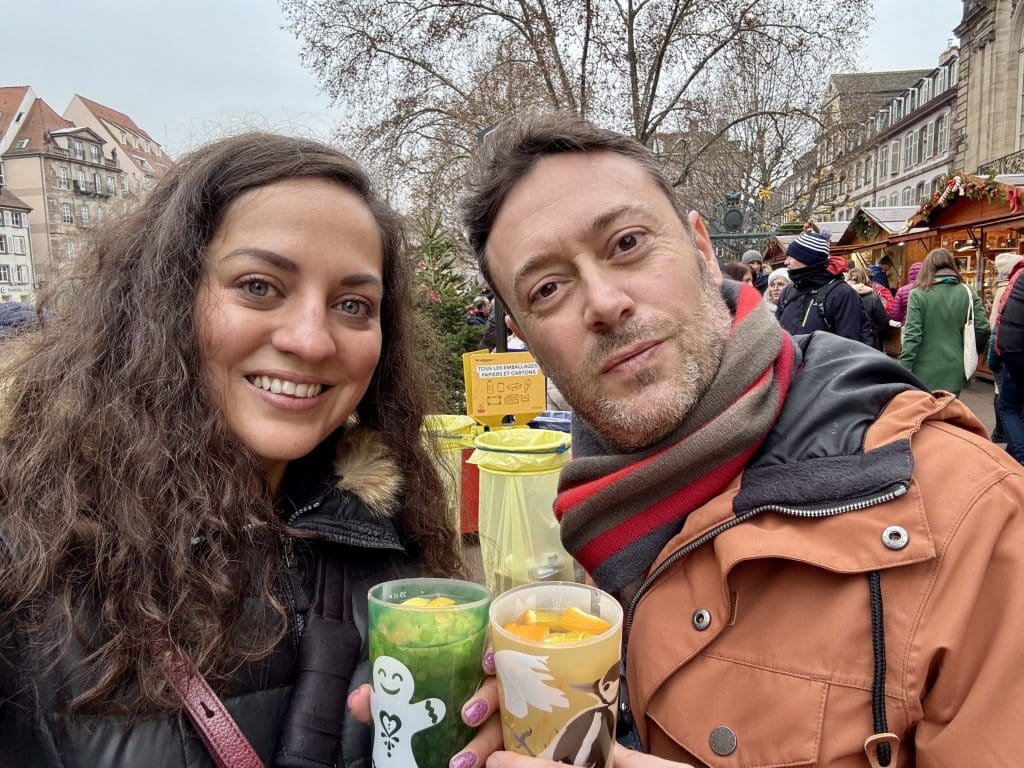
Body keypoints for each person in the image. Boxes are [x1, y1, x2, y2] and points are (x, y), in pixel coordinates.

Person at [461, 113, 1024, 767]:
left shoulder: (972, 516)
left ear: (702, 248)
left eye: (627, 243)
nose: (604, 302)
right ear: (525, 338)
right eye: (548, 288)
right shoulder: (598, 510)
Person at [0, 133, 489, 767]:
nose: (312, 340)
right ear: (169, 299)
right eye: (259, 286)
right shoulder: (29, 552)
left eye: (352, 305)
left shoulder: (392, 542)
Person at [899, 247, 989, 396]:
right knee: (950, 415)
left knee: (926, 416)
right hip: (955, 368)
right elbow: (982, 327)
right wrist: (974, 349)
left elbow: (912, 336)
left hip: (923, 370)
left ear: (927, 267)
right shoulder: (967, 291)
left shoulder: (918, 294)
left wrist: (904, 369)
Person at [776, 230, 866, 342]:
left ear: (808, 259)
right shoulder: (789, 290)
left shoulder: (841, 294)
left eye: (791, 256)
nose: (786, 262)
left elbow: (849, 344)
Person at [846, 267, 889, 350]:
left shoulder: (841, 296)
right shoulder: (873, 298)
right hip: (871, 344)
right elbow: (883, 323)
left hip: (847, 343)